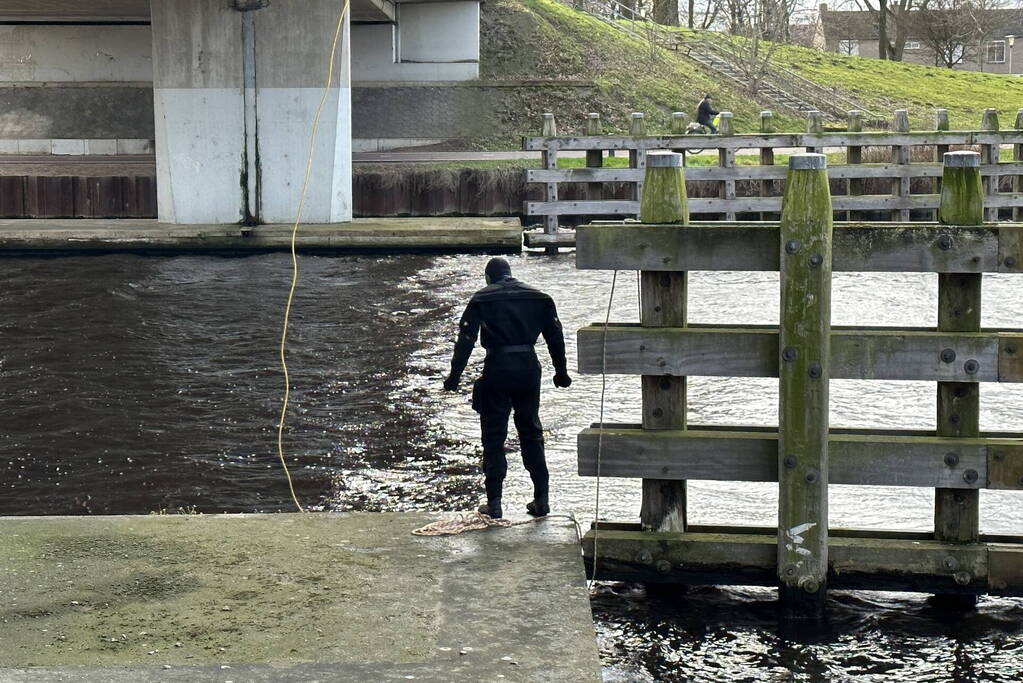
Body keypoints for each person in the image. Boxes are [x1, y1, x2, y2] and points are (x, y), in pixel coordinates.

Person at [443, 257, 571, 519]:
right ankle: (541, 500)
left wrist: (454, 377)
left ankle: (495, 503)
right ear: (510, 274)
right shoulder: (539, 298)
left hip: (497, 367)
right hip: (528, 368)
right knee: (531, 431)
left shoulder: (482, 298)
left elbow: (465, 340)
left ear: (489, 278)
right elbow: (555, 338)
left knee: (493, 436)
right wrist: (561, 372)